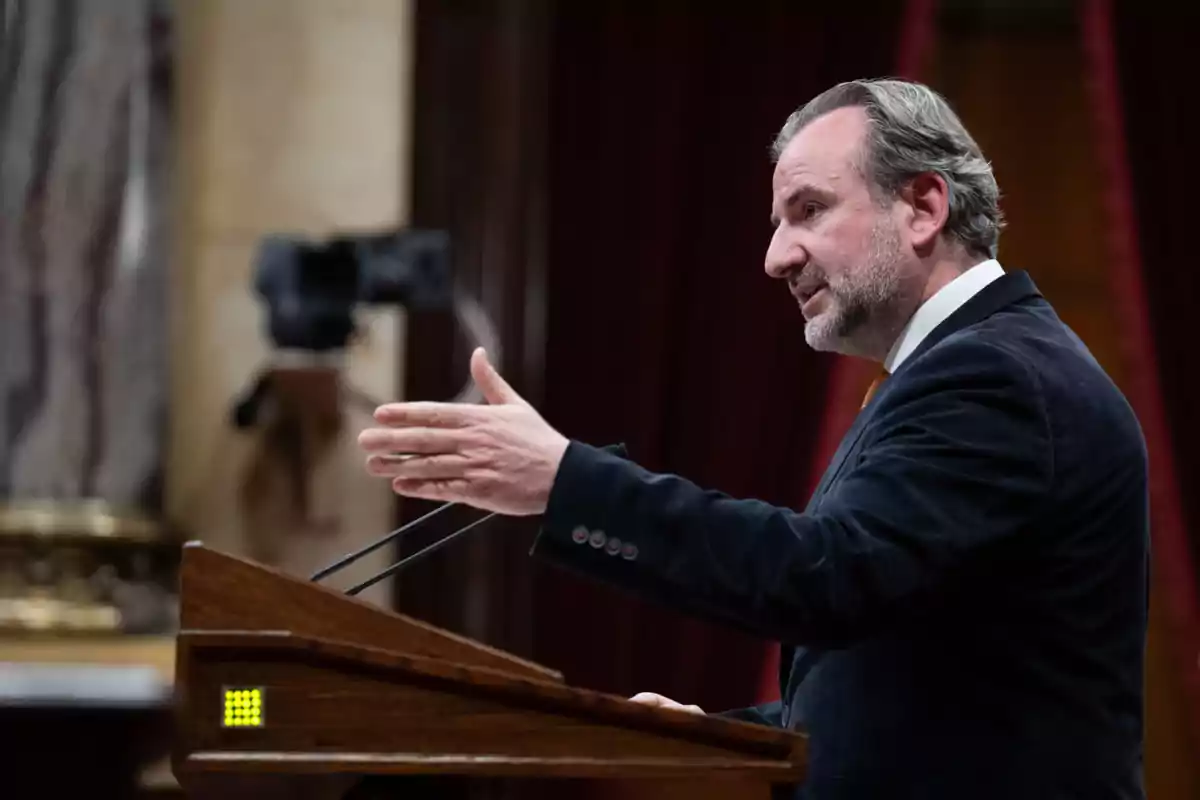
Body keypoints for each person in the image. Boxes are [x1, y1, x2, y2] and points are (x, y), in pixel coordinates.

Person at [357, 79, 1148, 800]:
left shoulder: (996, 377)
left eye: (808, 210)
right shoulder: (962, 370)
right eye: (778, 223)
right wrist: (720, 741)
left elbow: (828, 579)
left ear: (923, 206)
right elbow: (909, 686)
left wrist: (565, 481)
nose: (775, 258)